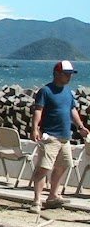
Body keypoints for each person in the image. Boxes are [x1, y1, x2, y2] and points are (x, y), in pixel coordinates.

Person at [29, 60, 89, 212]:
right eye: (66, 74)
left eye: (70, 74)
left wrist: (80, 126)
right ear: (57, 73)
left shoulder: (68, 92)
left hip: (65, 137)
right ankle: (37, 201)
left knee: (63, 165)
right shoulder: (46, 91)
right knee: (43, 168)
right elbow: (38, 110)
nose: (69, 77)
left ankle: (53, 196)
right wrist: (35, 128)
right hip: (50, 136)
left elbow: (72, 110)